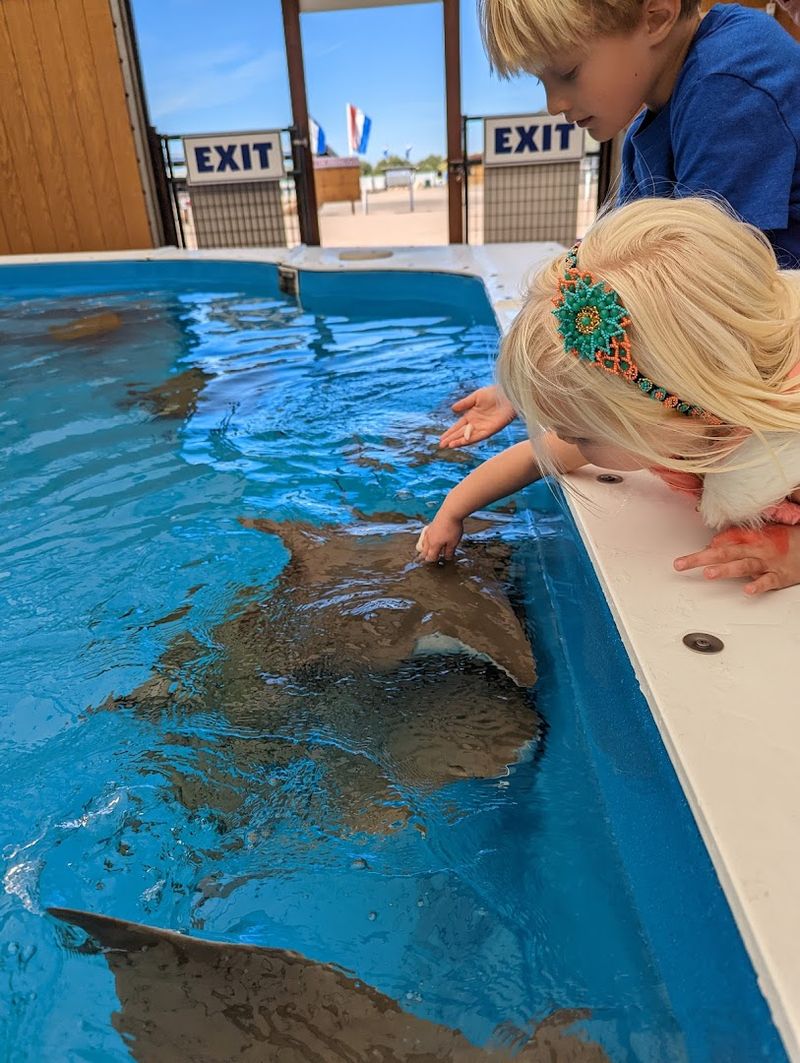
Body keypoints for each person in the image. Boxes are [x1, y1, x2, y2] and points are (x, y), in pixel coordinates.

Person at [440, 0, 800, 450]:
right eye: (541, 81)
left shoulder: (728, 83)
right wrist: (525, 388)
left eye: (567, 72)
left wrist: (569, 434)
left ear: (657, 17)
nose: (553, 105)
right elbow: (597, 283)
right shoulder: (648, 126)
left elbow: (697, 302)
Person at [420, 197, 800, 595]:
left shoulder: (783, 448)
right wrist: (453, 509)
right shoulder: (675, 415)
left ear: (671, 412)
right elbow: (535, 458)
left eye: (582, 436)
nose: (563, 441)